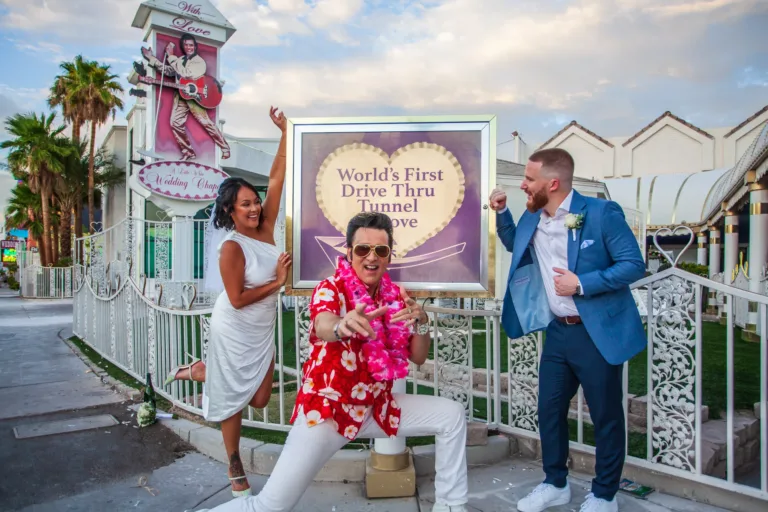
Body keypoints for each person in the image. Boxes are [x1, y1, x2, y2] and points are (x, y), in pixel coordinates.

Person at [197, 212, 469, 512]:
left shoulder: (394, 298)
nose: (372, 257)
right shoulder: (331, 288)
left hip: (377, 408)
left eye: (381, 250)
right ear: (349, 253)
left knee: (451, 415)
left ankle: (451, 506)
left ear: (389, 256)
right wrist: (342, 326)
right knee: (269, 506)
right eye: (363, 249)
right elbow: (325, 322)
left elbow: (418, 356)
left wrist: (422, 320)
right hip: (329, 412)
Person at [489, 148, 645, 512]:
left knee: (605, 415)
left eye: (529, 180)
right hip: (558, 333)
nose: (524, 186)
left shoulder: (602, 213)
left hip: (596, 333)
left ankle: (605, 494)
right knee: (549, 410)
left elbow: (633, 264)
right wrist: (501, 213)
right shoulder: (533, 216)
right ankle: (555, 483)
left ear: (553, 183)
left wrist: (582, 283)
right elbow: (515, 243)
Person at [164, 107, 291, 497]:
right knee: (234, 398)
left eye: (255, 202)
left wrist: (285, 132)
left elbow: (276, 178)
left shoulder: (265, 227)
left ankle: (203, 370)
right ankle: (234, 461)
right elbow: (235, 300)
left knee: (261, 396)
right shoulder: (232, 248)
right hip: (234, 325)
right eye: (246, 205)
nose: (254, 208)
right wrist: (278, 282)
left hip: (259, 327)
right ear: (230, 211)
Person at [141, 33, 231, 160]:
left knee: (206, 123)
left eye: (191, 45)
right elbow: (169, 71)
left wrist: (171, 56)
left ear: (195, 46)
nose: (189, 47)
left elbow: (186, 74)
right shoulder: (181, 60)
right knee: (175, 122)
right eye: (186, 45)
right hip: (181, 95)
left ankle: (225, 147)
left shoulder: (199, 62)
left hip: (197, 96)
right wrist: (152, 59)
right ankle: (188, 152)